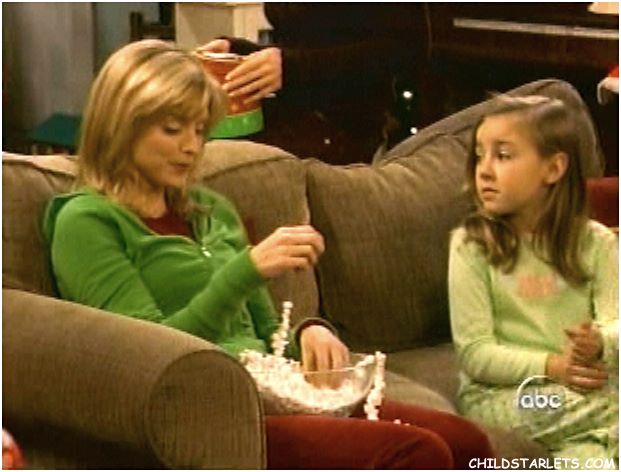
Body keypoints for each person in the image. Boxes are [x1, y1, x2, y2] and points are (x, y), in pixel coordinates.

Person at [43, 39, 493, 469]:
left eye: (199, 130)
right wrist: (246, 270)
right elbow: (150, 359)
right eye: (172, 129)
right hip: (212, 414)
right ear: (121, 124)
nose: (191, 147)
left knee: (467, 443)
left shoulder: (210, 210)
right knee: (417, 453)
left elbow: (265, 332)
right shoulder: (86, 222)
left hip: (277, 393)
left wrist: (309, 332)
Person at [448, 95, 618, 466]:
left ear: (553, 168)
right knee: (613, 408)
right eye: (479, 155)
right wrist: (553, 366)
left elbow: (615, 322)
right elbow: (475, 353)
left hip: (587, 388)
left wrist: (600, 343)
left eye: (503, 155)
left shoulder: (598, 243)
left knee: (594, 458)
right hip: (503, 396)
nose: (484, 170)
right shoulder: (471, 245)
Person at [198, 3, 423, 165]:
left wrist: (291, 67)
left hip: (341, 124)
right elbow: (300, 45)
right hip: (291, 109)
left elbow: (397, 50)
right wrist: (239, 52)